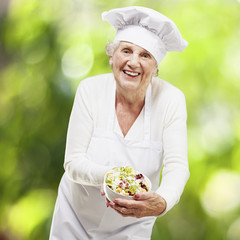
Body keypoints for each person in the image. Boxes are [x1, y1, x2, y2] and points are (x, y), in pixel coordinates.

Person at [50, 6, 190, 240]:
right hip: (74, 217)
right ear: (112, 56)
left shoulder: (171, 100)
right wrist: (111, 177)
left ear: (155, 68)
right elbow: (73, 162)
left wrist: (163, 200)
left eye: (145, 55)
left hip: (133, 224)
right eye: (126, 51)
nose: (133, 62)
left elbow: (177, 166)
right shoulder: (90, 90)